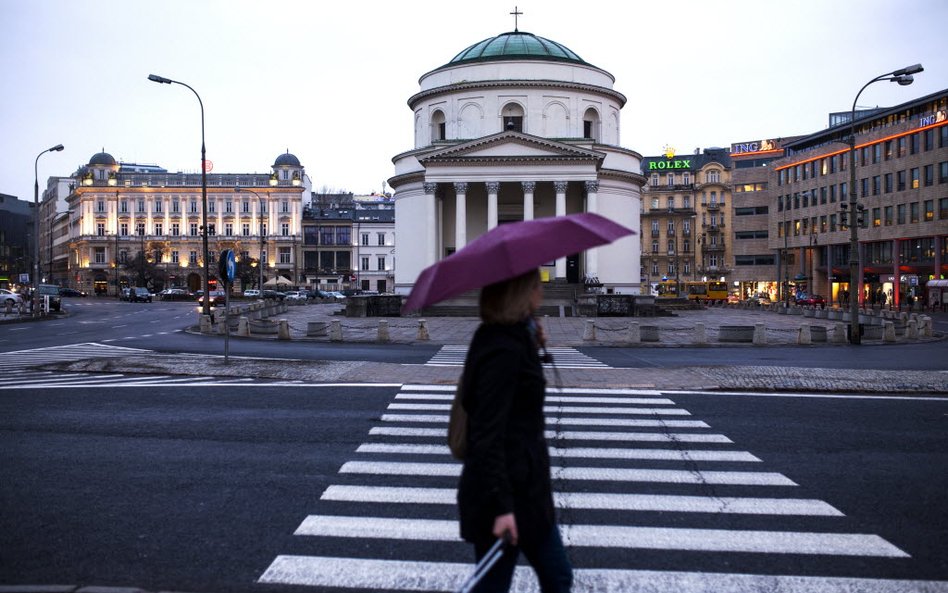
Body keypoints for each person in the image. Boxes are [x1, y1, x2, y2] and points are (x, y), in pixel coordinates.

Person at [456, 268, 572, 593]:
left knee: (555, 576)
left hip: (527, 492)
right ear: (520, 292)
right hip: (506, 496)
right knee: (507, 583)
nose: (542, 292)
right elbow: (486, 434)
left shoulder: (511, 339)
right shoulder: (501, 349)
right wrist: (502, 507)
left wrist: (533, 343)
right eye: (536, 286)